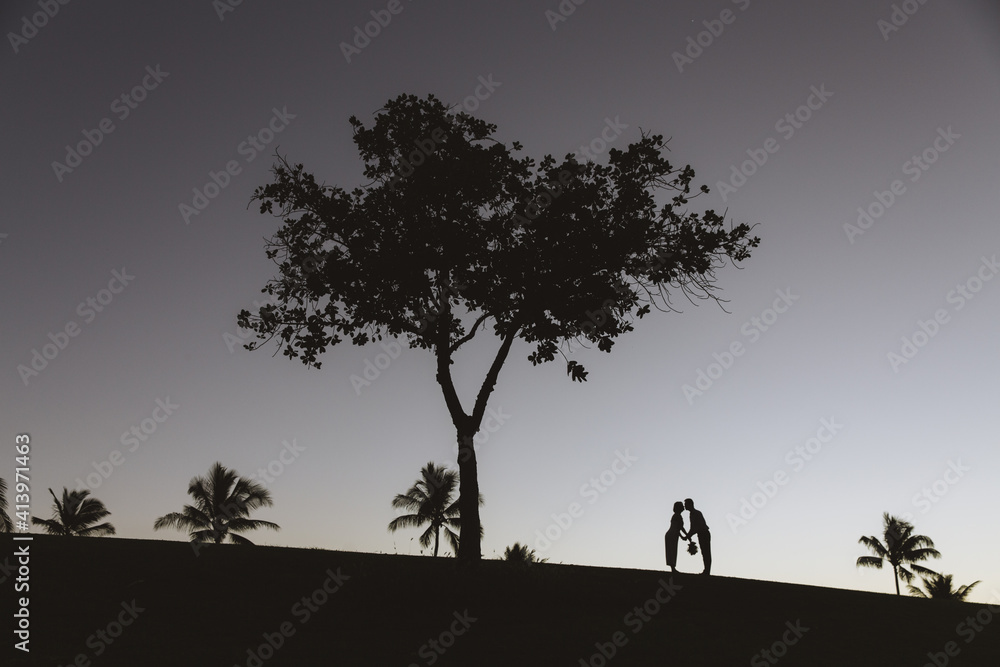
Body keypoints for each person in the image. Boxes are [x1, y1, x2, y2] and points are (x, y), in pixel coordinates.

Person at [684, 498, 711, 575]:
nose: (685, 506)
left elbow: (696, 527)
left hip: (704, 533)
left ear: (690, 504)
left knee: (706, 552)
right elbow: (693, 527)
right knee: (704, 552)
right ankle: (706, 570)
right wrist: (689, 535)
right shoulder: (692, 514)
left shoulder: (696, 513)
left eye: (686, 504)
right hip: (701, 534)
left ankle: (707, 571)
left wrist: (688, 535)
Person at [664, 501, 687, 573]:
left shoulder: (677, 515)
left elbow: (680, 528)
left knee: (672, 550)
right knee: (672, 550)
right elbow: (679, 528)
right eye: (682, 506)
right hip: (672, 534)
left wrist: (686, 535)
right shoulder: (677, 516)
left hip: (672, 534)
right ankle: (673, 568)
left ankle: (673, 568)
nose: (683, 507)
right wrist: (684, 536)